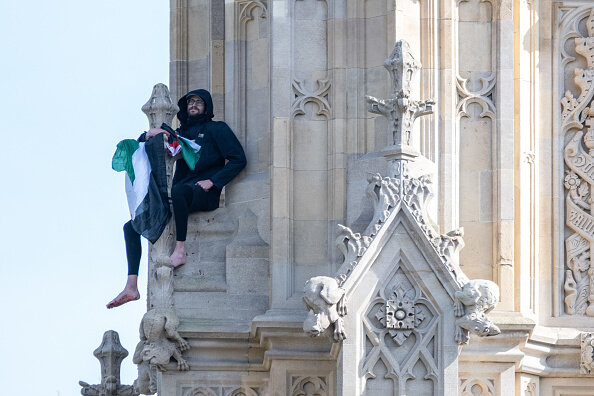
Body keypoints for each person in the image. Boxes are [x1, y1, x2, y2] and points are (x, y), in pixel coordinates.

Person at [107, 89, 247, 308]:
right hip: (180, 197)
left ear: (206, 106)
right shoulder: (180, 134)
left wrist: (213, 182)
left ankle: (180, 250)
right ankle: (131, 286)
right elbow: (150, 145)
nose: (193, 105)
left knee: (180, 191)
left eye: (198, 102)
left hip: (205, 194)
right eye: (190, 102)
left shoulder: (217, 129)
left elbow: (239, 159)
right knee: (131, 226)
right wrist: (147, 135)